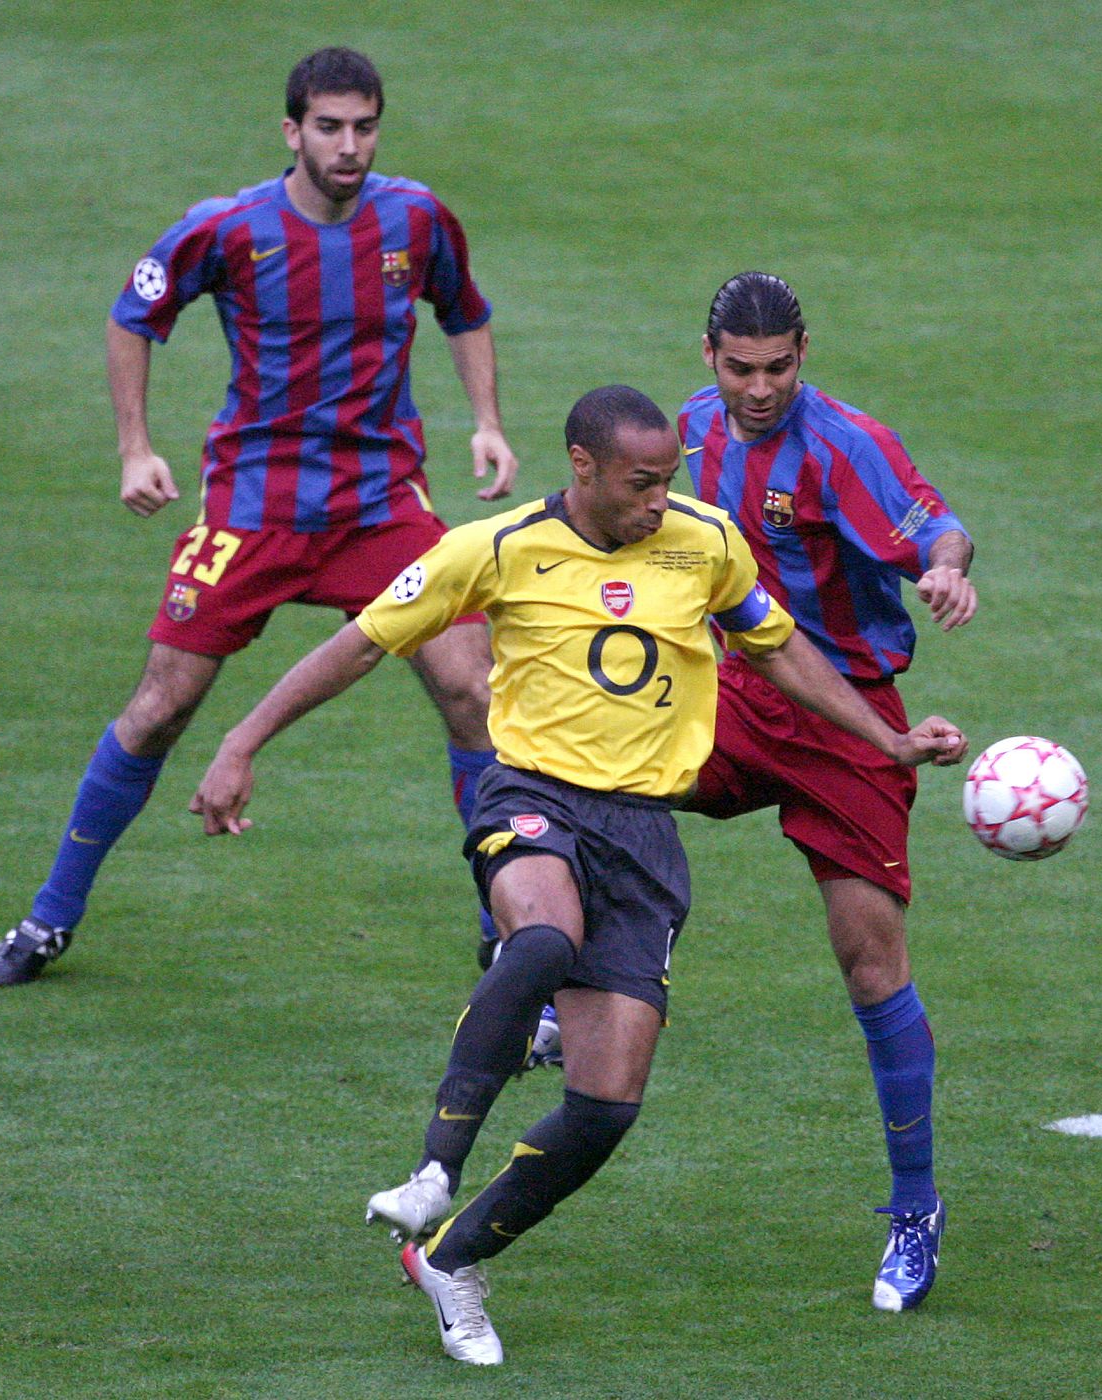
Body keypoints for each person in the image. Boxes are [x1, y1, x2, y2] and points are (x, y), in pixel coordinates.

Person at [190, 385, 967, 1364]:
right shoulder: (498, 547)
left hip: (642, 837)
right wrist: (242, 739)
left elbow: (782, 652)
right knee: (544, 934)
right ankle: (435, 1164)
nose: (657, 501)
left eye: (669, 481)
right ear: (584, 467)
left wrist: (885, 739)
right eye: (641, 483)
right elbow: (358, 643)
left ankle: (451, 1256)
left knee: (604, 1107)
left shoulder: (705, 542)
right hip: (534, 795)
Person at [0, 47, 517, 986]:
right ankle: (50, 918)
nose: (348, 146)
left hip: (380, 508)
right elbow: (131, 318)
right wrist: (134, 448)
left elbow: (462, 312)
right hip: (253, 508)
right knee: (160, 708)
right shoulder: (225, 229)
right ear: (291, 131)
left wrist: (486, 424)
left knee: (472, 692)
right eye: (329, 127)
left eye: (364, 127)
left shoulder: (416, 217)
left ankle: (505, 932)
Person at [678, 272, 978, 1312]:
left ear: (803, 351)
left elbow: (935, 522)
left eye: (778, 367)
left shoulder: (848, 445)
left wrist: (945, 568)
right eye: (739, 368)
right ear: (709, 354)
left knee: (868, 959)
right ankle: (562, 966)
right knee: (591, 763)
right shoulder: (682, 436)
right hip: (731, 690)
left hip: (851, 716)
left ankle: (913, 1211)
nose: (758, 389)